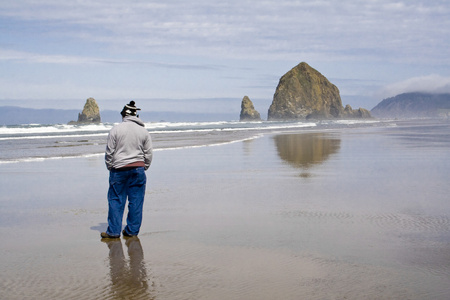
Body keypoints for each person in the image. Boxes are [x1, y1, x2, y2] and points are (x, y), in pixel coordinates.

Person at [101, 101, 153, 239]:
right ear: (136, 115)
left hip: (119, 169)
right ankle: (132, 231)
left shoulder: (115, 130)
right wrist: (144, 166)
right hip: (138, 169)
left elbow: (109, 153)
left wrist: (110, 166)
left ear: (123, 115)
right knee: (136, 201)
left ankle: (113, 231)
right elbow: (148, 153)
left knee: (116, 200)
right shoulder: (144, 131)